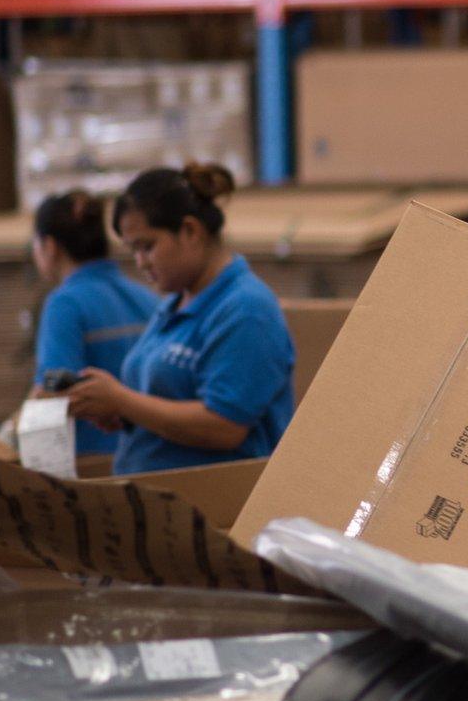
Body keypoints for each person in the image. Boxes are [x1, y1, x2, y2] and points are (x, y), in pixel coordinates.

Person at [66, 164, 296, 476]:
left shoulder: (245, 309)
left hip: (216, 509)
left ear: (190, 231)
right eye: (133, 251)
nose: (140, 263)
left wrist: (123, 401)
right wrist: (120, 412)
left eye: (147, 247)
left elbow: (225, 426)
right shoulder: (175, 303)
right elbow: (166, 399)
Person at [29, 190, 160, 457]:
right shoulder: (149, 299)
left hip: (93, 468)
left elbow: (51, 399)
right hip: (148, 456)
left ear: (50, 247)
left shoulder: (64, 304)